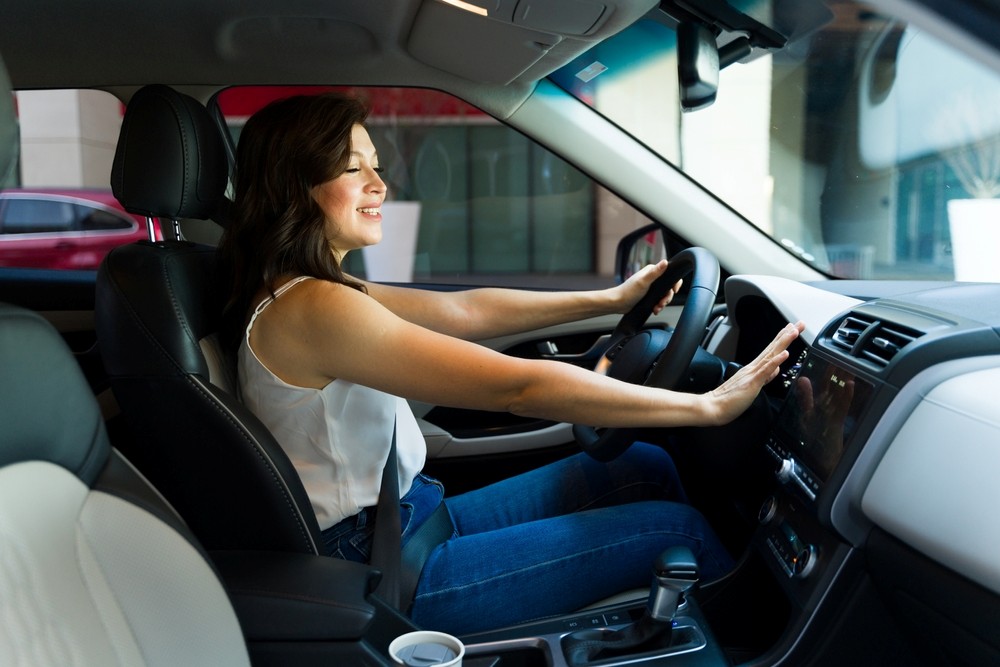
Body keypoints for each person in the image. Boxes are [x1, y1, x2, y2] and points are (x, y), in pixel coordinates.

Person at [218, 92, 804, 635]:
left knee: (642, 468)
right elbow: (519, 387)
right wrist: (704, 406)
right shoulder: (313, 306)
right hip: (383, 567)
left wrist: (609, 301)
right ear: (297, 185)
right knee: (680, 533)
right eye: (354, 169)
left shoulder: (310, 290)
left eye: (375, 164)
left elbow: (463, 311)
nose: (380, 184)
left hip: (409, 521)